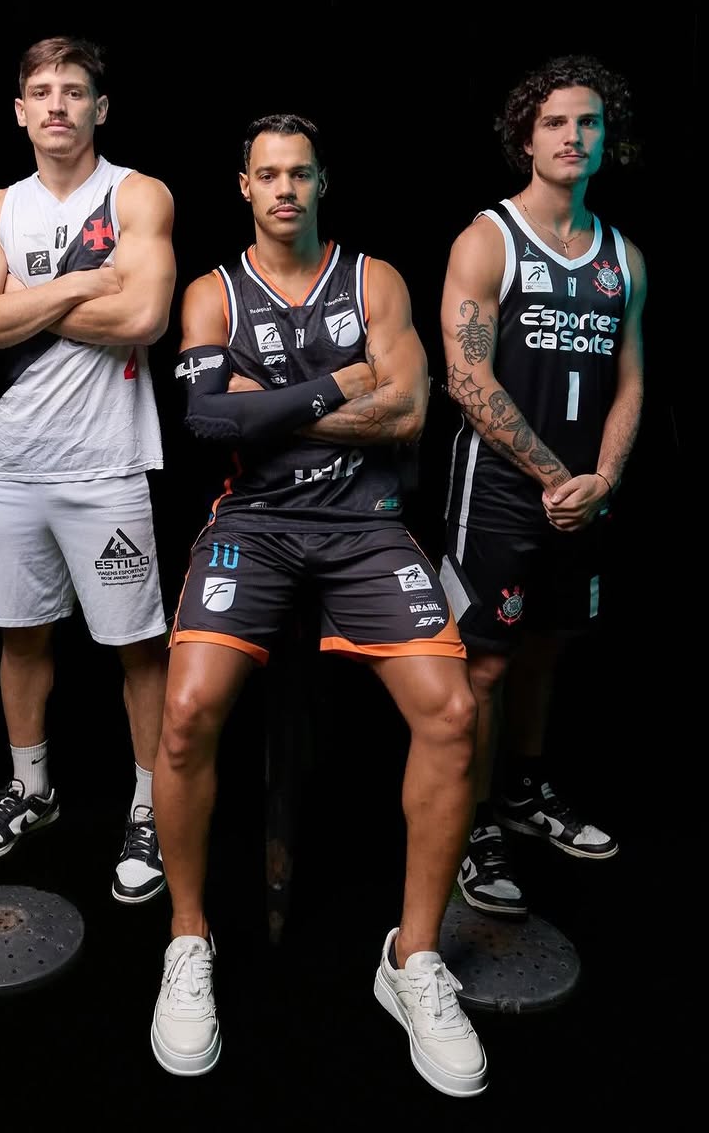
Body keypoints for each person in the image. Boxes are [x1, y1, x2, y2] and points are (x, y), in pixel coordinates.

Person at [149, 114, 486, 1098]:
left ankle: (413, 957)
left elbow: (411, 410)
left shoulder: (374, 278)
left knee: (454, 713)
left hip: (365, 525)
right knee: (183, 711)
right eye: (268, 174)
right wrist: (343, 383)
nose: (285, 188)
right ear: (244, 187)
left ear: (323, 181)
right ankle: (186, 937)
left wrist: (268, 404)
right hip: (253, 523)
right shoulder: (212, 291)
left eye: (300, 173)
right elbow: (206, 418)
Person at [0, 35, 175, 903]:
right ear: (19, 111)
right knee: (21, 632)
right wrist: (83, 286)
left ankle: (150, 805)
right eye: (41, 91)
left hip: (106, 463)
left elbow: (145, 314)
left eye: (73, 91)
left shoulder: (136, 194)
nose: (56, 105)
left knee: (137, 646)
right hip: (14, 462)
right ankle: (31, 788)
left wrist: (18, 302)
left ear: (99, 108)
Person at [439, 54, 645, 918]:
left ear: (605, 137)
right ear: (526, 136)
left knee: (548, 646)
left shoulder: (622, 257)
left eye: (588, 122)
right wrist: (559, 477)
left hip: (585, 496)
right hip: (499, 492)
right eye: (555, 121)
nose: (573, 136)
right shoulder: (489, 238)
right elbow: (467, 376)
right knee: (485, 664)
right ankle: (472, 824)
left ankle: (524, 792)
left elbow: (631, 380)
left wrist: (604, 479)